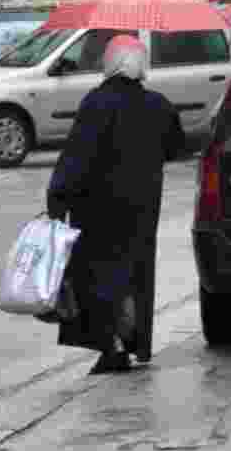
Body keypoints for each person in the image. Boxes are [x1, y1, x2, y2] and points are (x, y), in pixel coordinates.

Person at [47, 34, 185, 373]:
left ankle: (112, 346)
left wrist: (58, 197)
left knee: (100, 278)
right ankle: (131, 341)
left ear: (109, 63)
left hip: (98, 211)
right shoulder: (159, 104)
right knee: (135, 277)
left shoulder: (96, 103)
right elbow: (176, 147)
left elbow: (77, 156)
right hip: (142, 209)